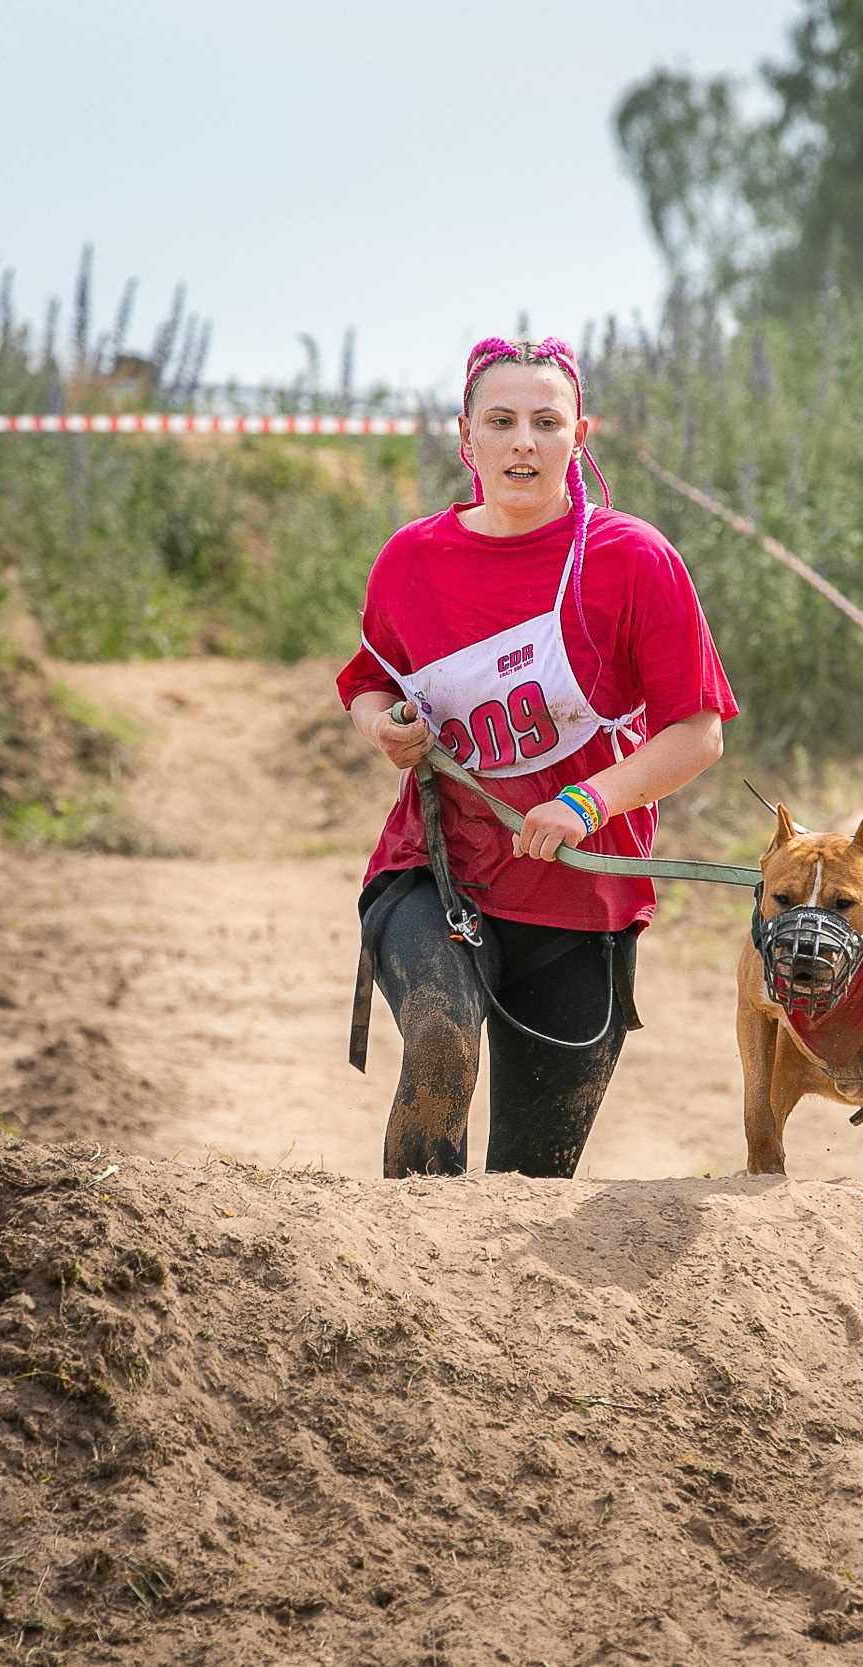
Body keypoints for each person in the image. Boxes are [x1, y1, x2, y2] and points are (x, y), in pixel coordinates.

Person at [337, 336, 736, 1178]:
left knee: (532, 1182)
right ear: (466, 437)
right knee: (442, 1042)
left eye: (546, 422)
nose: (524, 441)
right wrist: (384, 729)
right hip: (438, 873)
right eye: (503, 420)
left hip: (584, 901)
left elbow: (698, 731)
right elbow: (370, 679)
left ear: (579, 437)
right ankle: (408, 1274)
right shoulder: (409, 561)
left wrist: (586, 802)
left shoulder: (635, 560)